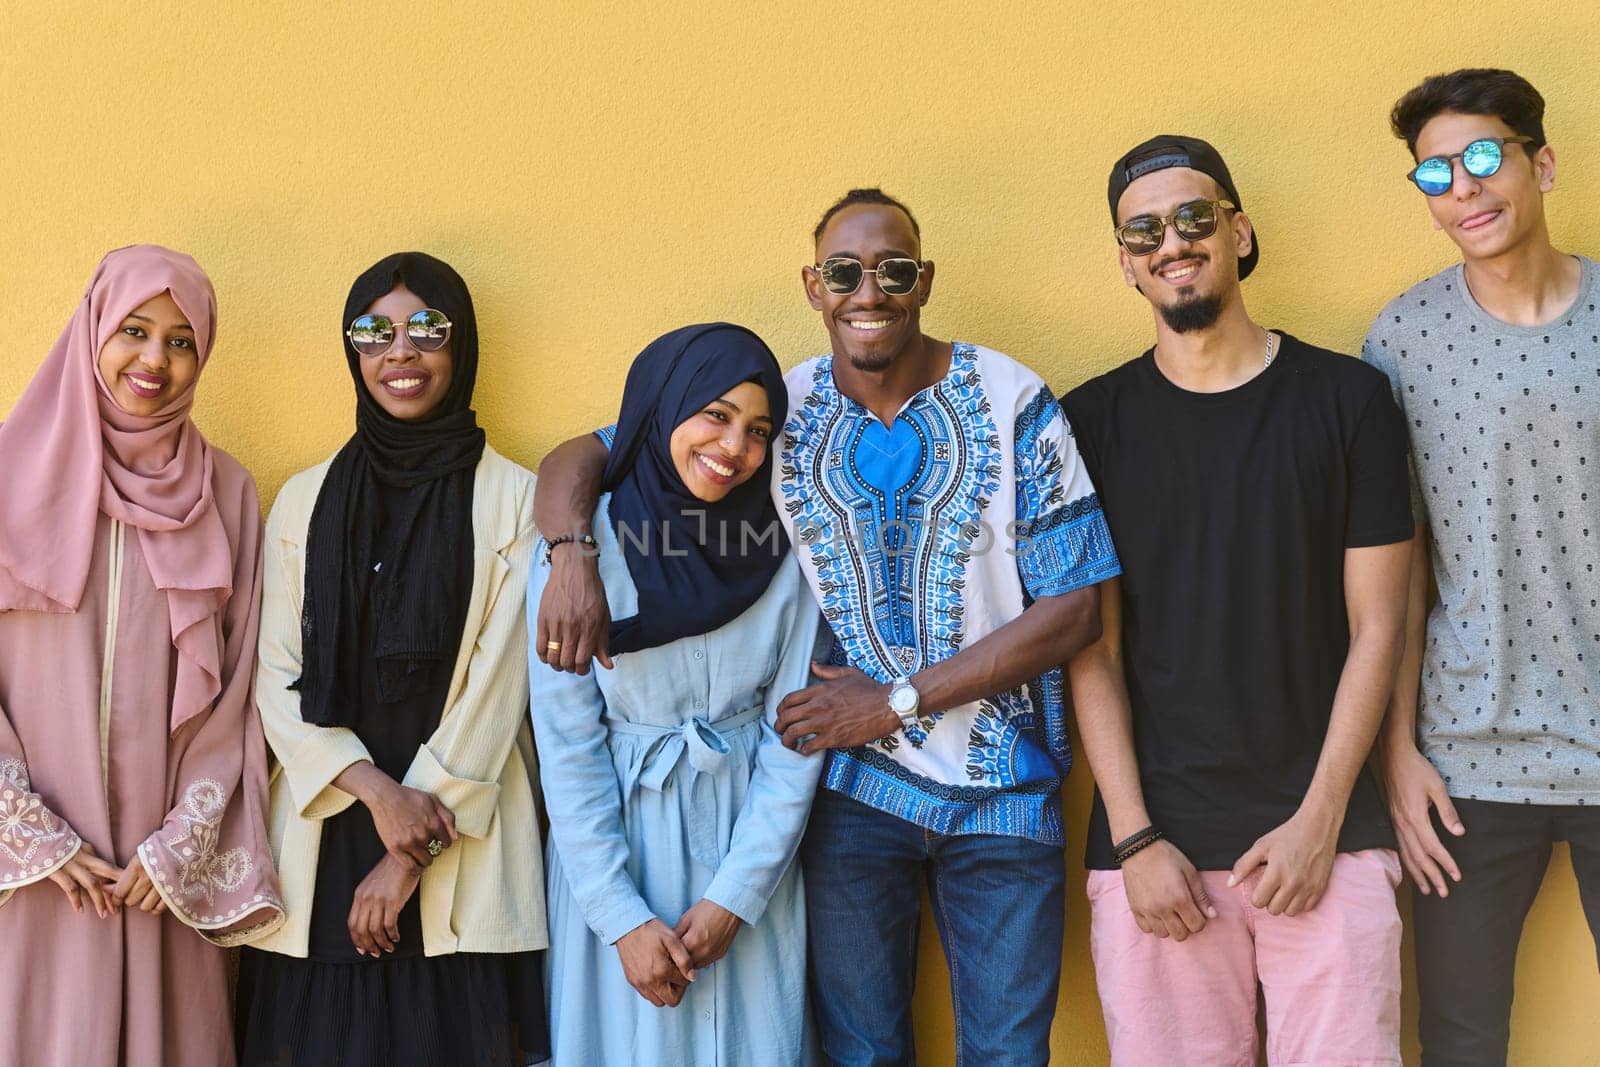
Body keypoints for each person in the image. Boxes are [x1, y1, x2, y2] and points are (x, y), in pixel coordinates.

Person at [533, 190, 1119, 1065]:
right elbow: (590, 451)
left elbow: (1076, 607)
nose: (868, 290)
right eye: (844, 271)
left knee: (1008, 1053)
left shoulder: (1013, 395)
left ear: (923, 279)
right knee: (863, 1051)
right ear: (814, 286)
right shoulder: (782, 410)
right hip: (854, 801)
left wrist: (900, 701)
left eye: (891, 270)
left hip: (1004, 790)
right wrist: (572, 552)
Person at [1063, 136, 1414, 1066]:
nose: (1171, 241)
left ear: (1239, 230)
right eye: (1144, 230)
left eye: (1194, 216)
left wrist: (1321, 817)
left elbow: (1379, 626)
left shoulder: (1351, 400)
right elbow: (1089, 647)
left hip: (1328, 836)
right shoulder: (1088, 423)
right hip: (1156, 852)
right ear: (1127, 263)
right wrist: (1135, 838)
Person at [236, 252, 548, 1067]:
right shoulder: (305, 498)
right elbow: (276, 676)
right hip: (330, 834)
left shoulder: (515, 496)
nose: (399, 351)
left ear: (461, 343)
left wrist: (409, 852)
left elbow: (500, 687)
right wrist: (377, 795)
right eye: (373, 331)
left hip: (458, 840)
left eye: (427, 328)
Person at [1363, 68, 1600, 1066]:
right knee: (1459, 1042)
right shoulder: (1400, 340)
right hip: (1466, 756)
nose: (1461, 187)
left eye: (1482, 157)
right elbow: (1395, 572)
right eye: (1433, 172)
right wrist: (1398, 751)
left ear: (1538, 162)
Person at [0, 244, 284, 1066]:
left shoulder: (227, 492)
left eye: (181, 339)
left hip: (161, 880)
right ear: (93, 327)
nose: (154, 360)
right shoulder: (10, 471)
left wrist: (178, 844)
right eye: (133, 330)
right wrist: (31, 834)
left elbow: (237, 690)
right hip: (34, 871)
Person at [529, 322, 824, 1066]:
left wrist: (737, 897)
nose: (734, 448)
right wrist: (622, 918)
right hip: (618, 847)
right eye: (715, 414)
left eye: (759, 430)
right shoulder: (580, 551)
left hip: (747, 845)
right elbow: (568, 746)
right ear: (666, 408)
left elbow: (795, 735)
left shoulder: (784, 544)